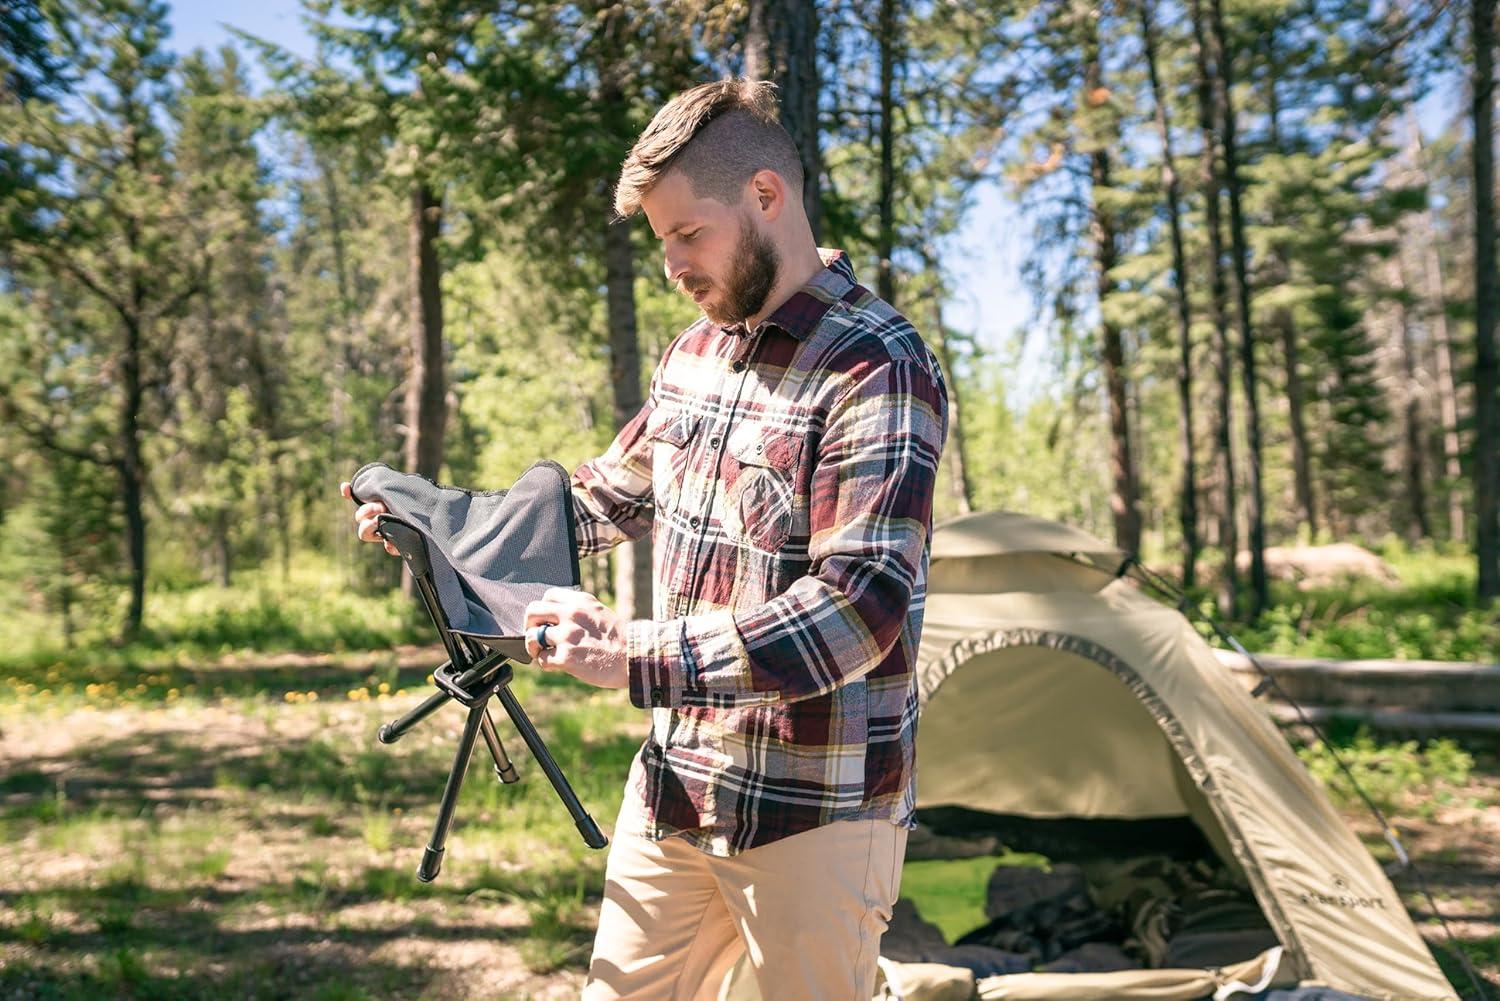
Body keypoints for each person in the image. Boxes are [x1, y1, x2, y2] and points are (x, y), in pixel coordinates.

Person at [344, 78, 947, 1001]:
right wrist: (439, 526)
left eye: (686, 233)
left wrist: (631, 653)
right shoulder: (693, 357)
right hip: (675, 786)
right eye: (660, 240)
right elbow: (600, 498)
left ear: (765, 197)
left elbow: (856, 610)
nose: (671, 264)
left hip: (815, 809)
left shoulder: (877, 365)